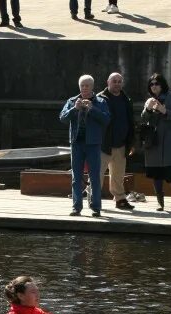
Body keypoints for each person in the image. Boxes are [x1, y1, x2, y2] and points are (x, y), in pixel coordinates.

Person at [60, 75, 110, 218]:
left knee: (94, 176)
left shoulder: (100, 102)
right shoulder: (72, 101)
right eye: (82, 85)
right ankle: (76, 207)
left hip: (93, 144)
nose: (84, 88)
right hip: (76, 143)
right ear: (79, 87)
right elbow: (62, 118)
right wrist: (74, 109)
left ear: (92, 87)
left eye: (87, 85)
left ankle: (96, 208)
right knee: (76, 177)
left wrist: (92, 109)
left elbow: (106, 120)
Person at [141, 73, 171, 213]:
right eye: (152, 84)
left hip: (168, 141)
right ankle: (160, 204)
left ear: (162, 84)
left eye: (157, 83)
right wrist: (148, 109)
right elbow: (144, 118)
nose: (154, 86)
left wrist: (165, 111)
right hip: (153, 142)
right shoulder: (149, 100)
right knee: (156, 174)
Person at [98, 72, 135, 211]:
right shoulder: (100, 99)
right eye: (114, 81)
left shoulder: (126, 99)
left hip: (121, 144)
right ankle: (93, 198)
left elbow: (131, 122)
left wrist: (131, 143)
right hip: (103, 144)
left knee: (118, 175)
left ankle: (120, 199)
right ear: (108, 82)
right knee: (97, 174)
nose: (117, 83)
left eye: (120, 81)